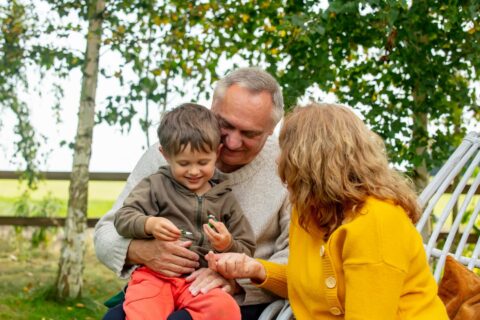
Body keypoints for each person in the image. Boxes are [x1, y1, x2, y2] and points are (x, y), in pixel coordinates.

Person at [206, 103, 449, 319]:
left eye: (285, 150)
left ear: (309, 161)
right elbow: (315, 286)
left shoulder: (377, 223)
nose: (278, 161)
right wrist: (257, 269)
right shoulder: (309, 213)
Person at [94, 67, 291, 320]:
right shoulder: (168, 151)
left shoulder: (286, 167)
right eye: (225, 125)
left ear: (271, 130)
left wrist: (238, 279)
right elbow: (106, 233)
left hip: (237, 302)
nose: (231, 143)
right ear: (211, 109)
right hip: (160, 285)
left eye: (249, 133)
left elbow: (292, 258)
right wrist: (139, 250)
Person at [113, 103, 256, 320]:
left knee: (225, 308)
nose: (194, 171)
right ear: (165, 155)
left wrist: (227, 245)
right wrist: (148, 224)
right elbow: (123, 218)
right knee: (143, 313)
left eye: (203, 162)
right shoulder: (156, 185)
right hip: (155, 277)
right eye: (183, 163)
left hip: (198, 283)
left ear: (217, 153)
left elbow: (246, 248)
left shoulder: (224, 198)